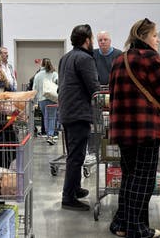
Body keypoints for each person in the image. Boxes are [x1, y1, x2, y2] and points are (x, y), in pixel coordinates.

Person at [108, 18, 160, 238]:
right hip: (146, 128)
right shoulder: (152, 58)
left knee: (129, 176)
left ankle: (121, 223)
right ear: (145, 36)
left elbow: (112, 92)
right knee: (144, 180)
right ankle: (137, 229)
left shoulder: (119, 59)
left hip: (122, 128)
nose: (157, 40)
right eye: (155, 35)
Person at [58, 24, 100, 211]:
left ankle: (74, 188)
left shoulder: (66, 57)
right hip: (79, 113)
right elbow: (94, 88)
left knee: (75, 154)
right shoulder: (85, 58)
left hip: (67, 112)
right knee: (76, 156)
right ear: (87, 40)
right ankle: (68, 197)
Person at [33, 58, 58, 145]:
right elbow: (58, 84)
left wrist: (35, 101)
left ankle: (48, 134)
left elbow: (34, 89)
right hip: (52, 98)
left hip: (42, 99)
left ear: (42, 65)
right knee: (52, 117)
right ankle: (51, 135)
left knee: (45, 117)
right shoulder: (54, 74)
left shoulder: (38, 75)